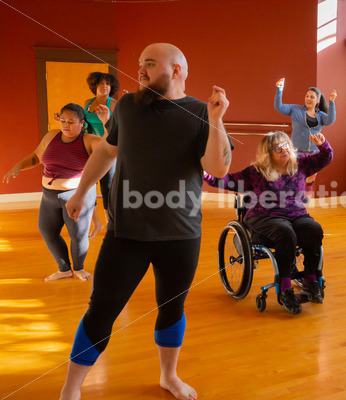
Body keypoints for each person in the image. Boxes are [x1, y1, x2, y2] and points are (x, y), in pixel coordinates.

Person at [59, 43, 232, 400]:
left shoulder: (201, 112)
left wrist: (216, 122)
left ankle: (169, 376)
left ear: (178, 70)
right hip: (126, 234)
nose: (139, 70)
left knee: (172, 307)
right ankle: (71, 389)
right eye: (140, 64)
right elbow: (107, 152)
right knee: (101, 309)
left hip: (180, 235)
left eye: (150, 64)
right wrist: (80, 192)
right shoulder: (126, 107)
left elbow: (218, 168)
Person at [204, 131, 333, 315]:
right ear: (268, 154)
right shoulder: (256, 172)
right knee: (284, 231)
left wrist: (323, 144)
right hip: (264, 216)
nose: (284, 150)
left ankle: (311, 279)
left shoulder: (301, 163)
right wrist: (206, 175)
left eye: (286, 145)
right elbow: (229, 181)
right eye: (278, 148)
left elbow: (325, 157)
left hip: (296, 214)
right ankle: (285, 287)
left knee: (314, 229)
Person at [3, 104, 101, 281]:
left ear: (82, 123)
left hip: (75, 196)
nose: (66, 125)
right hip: (49, 195)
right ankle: (64, 269)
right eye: (63, 120)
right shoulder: (52, 136)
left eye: (71, 122)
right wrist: (18, 166)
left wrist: (107, 121)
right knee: (47, 231)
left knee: (77, 235)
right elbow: (35, 157)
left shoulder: (90, 140)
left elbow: (111, 148)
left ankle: (79, 268)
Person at [274, 78, 336, 197]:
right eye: (307, 96)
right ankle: (290, 205)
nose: (308, 99)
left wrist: (332, 102)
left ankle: (303, 208)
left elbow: (330, 120)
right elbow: (279, 107)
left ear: (317, 100)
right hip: (296, 152)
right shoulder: (295, 109)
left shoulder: (321, 116)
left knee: (308, 183)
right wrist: (279, 89)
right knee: (293, 181)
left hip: (313, 153)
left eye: (312, 97)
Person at [82, 72, 120, 238]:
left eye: (108, 84)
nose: (105, 86)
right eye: (101, 83)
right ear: (94, 86)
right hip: (90, 150)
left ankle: (110, 223)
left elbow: (117, 130)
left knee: (108, 188)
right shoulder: (86, 103)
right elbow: (82, 126)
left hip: (107, 150)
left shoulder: (114, 104)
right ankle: (96, 223)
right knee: (88, 187)